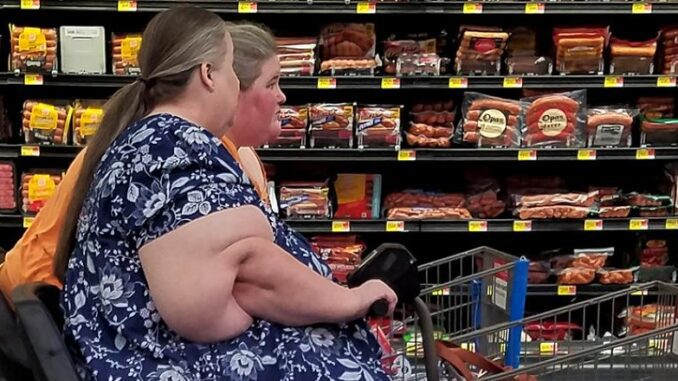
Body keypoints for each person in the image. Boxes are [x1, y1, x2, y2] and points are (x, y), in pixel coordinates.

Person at [56, 7, 396, 381]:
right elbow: (208, 306)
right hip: (161, 363)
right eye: (233, 68)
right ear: (208, 74)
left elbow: (229, 261)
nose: (238, 83)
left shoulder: (159, 142)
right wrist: (349, 301)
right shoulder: (169, 147)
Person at [0, 23, 274, 304]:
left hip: (48, 293)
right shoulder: (177, 150)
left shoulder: (209, 146)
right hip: (46, 301)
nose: (281, 96)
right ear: (219, 81)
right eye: (272, 83)